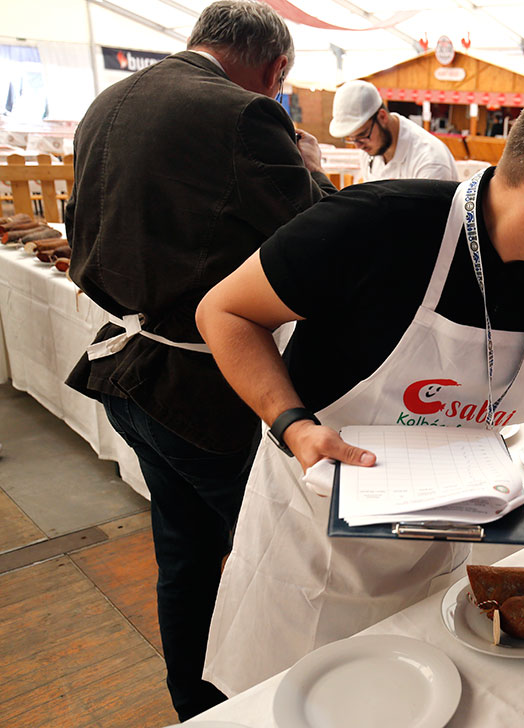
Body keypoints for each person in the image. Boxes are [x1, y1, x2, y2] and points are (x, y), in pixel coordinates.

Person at [195, 84, 524, 695]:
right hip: (316, 541)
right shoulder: (379, 225)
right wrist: (291, 422)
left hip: (435, 547)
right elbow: (224, 312)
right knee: (293, 702)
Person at [63, 1, 335, 720]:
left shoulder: (110, 100)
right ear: (276, 69)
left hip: (127, 367)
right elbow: (316, 239)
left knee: (185, 555)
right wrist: (310, 168)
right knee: (283, 559)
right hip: (199, 388)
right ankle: (281, 705)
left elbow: (76, 224)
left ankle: (196, 705)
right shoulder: (245, 114)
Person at [330, 79, 460, 182]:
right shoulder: (369, 151)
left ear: (382, 117)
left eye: (363, 135)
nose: (359, 146)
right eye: (352, 138)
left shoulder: (430, 161)